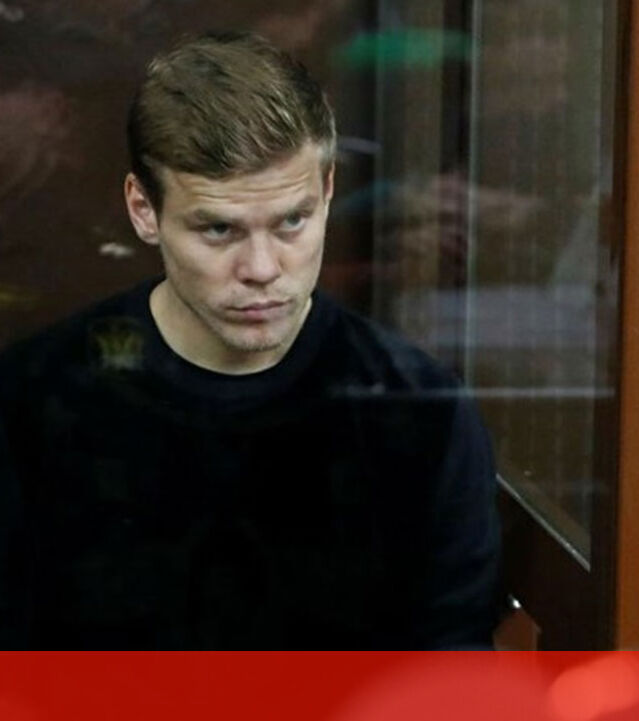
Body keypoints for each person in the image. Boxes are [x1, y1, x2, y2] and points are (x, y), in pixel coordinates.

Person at [0, 31, 500, 648]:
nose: (262, 268)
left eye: (292, 221)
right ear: (143, 210)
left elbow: (452, 668)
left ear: (328, 192)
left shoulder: (420, 413)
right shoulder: (30, 405)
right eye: (218, 229)